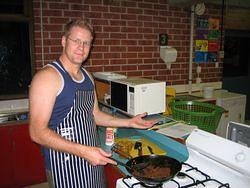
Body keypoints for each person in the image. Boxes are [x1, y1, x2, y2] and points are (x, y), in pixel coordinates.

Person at [29, 17, 156, 188]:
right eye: (77, 41)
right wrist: (84, 151)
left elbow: (94, 114)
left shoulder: (88, 77)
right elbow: (37, 132)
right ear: (64, 40)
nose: (81, 48)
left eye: (87, 43)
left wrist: (129, 122)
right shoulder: (47, 77)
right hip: (64, 165)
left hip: (92, 158)